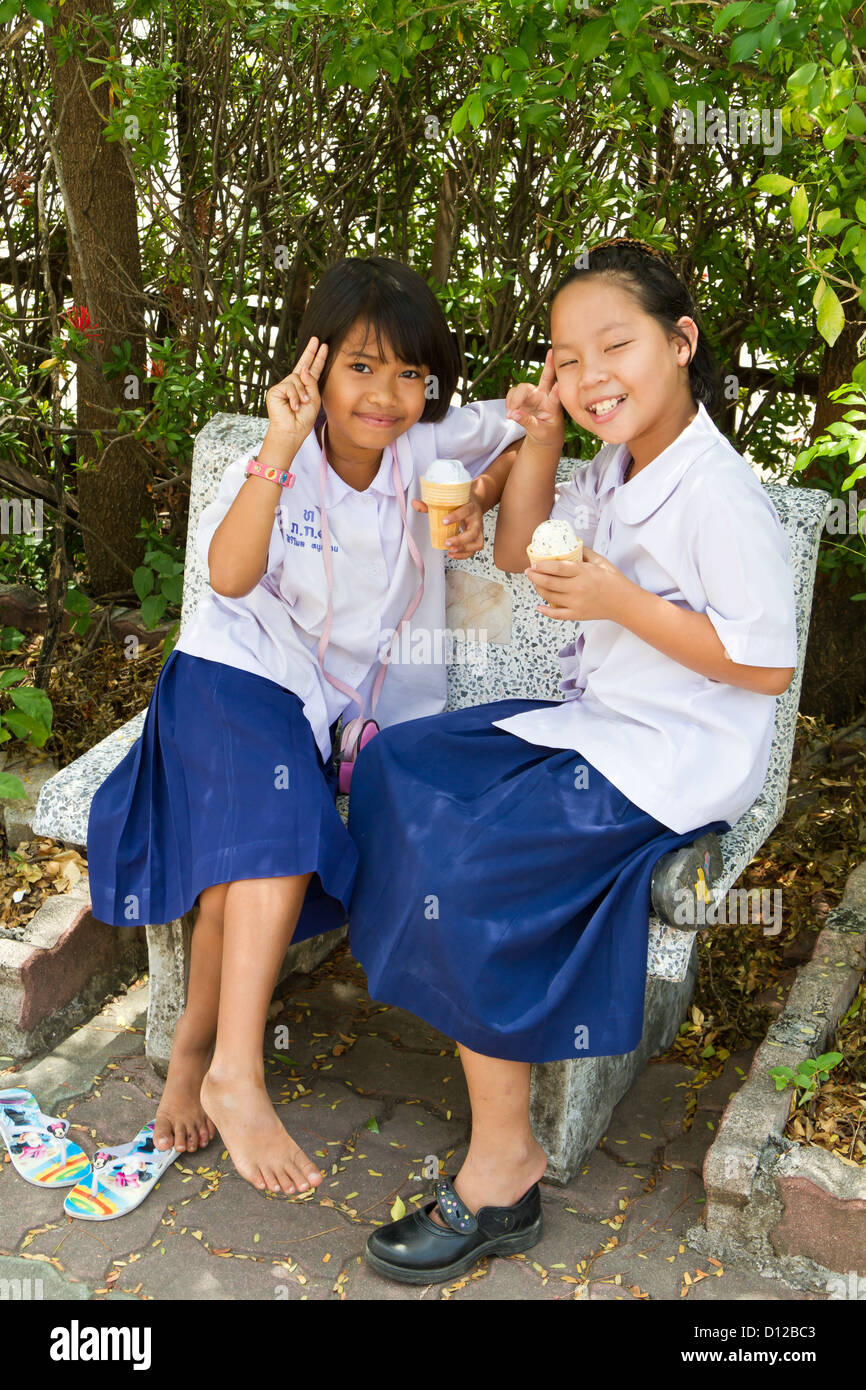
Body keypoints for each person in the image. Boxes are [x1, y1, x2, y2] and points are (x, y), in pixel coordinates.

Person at [345, 237, 799, 1284]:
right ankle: (452, 985)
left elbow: (765, 668)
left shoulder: (715, 494)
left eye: (615, 346)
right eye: (563, 357)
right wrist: (534, 440)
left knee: (465, 861)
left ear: (679, 343)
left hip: (670, 762)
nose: (590, 375)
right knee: (401, 770)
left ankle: (502, 1171)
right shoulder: (624, 459)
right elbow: (516, 553)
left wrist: (617, 603)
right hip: (596, 721)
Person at [85, 255, 525, 1198]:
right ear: (316, 367)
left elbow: (519, 423)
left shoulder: (429, 448)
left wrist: (487, 493)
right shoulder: (285, 457)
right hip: (230, 674)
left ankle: (189, 1066)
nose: (388, 395)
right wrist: (277, 451)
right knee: (277, 835)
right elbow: (230, 578)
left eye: (411, 373)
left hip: (323, 714)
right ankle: (236, 1076)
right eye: (362, 367)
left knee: (238, 867)